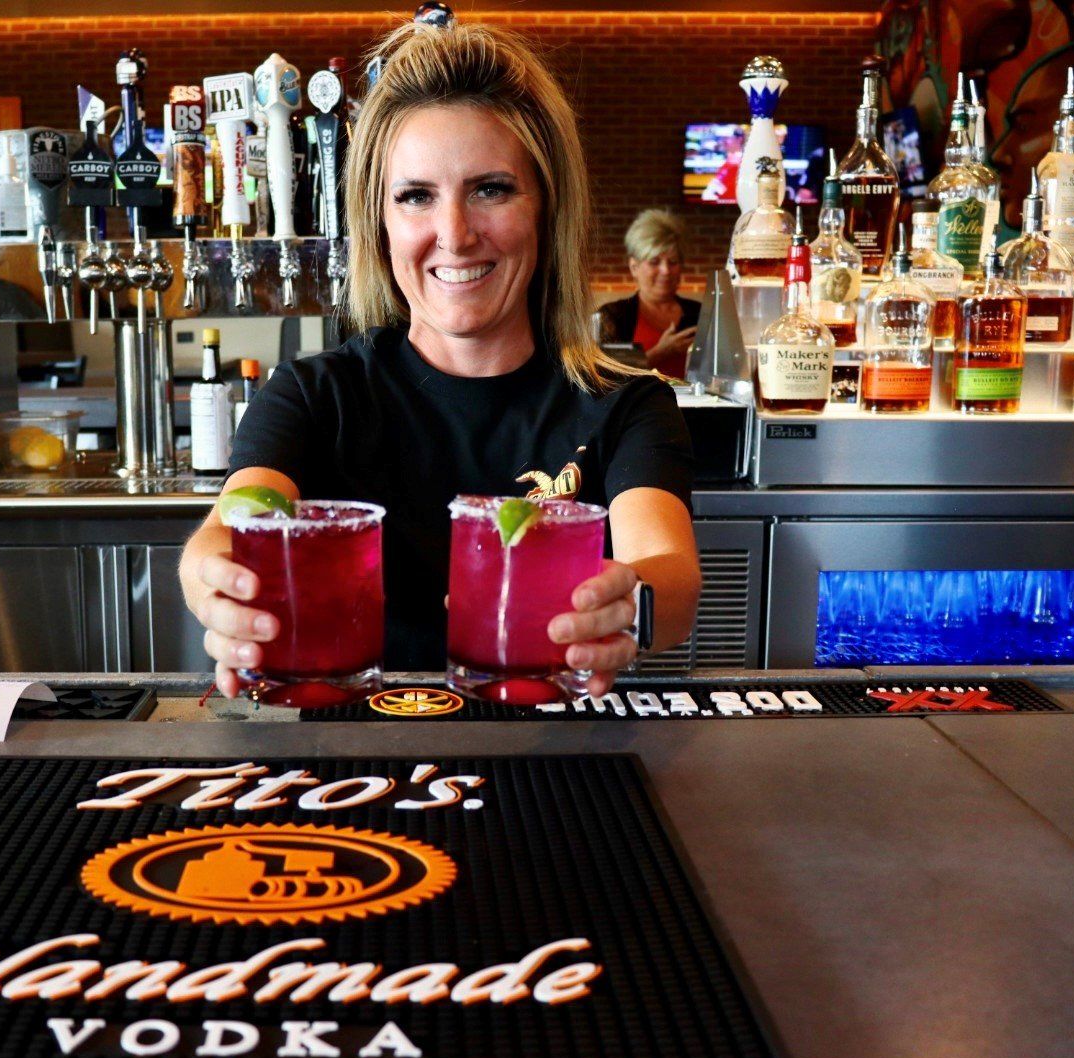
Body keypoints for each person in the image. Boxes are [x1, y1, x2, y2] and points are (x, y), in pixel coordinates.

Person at [179, 19, 702, 701]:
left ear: (547, 207)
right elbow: (233, 519)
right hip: (350, 759)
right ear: (382, 221)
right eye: (416, 195)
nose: (453, 234)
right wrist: (215, 579)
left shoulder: (623, 404)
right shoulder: (314, 394)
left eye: (491, 188)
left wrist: (630, 602)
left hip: (553, 759)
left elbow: (669, 571)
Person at [595, 209, 701, 380]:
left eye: (673, 262)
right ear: (634, 267)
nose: (665, 270)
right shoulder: (612, 316)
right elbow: (603, 375)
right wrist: (661, 352)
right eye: (654, 262)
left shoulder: (701, 314)